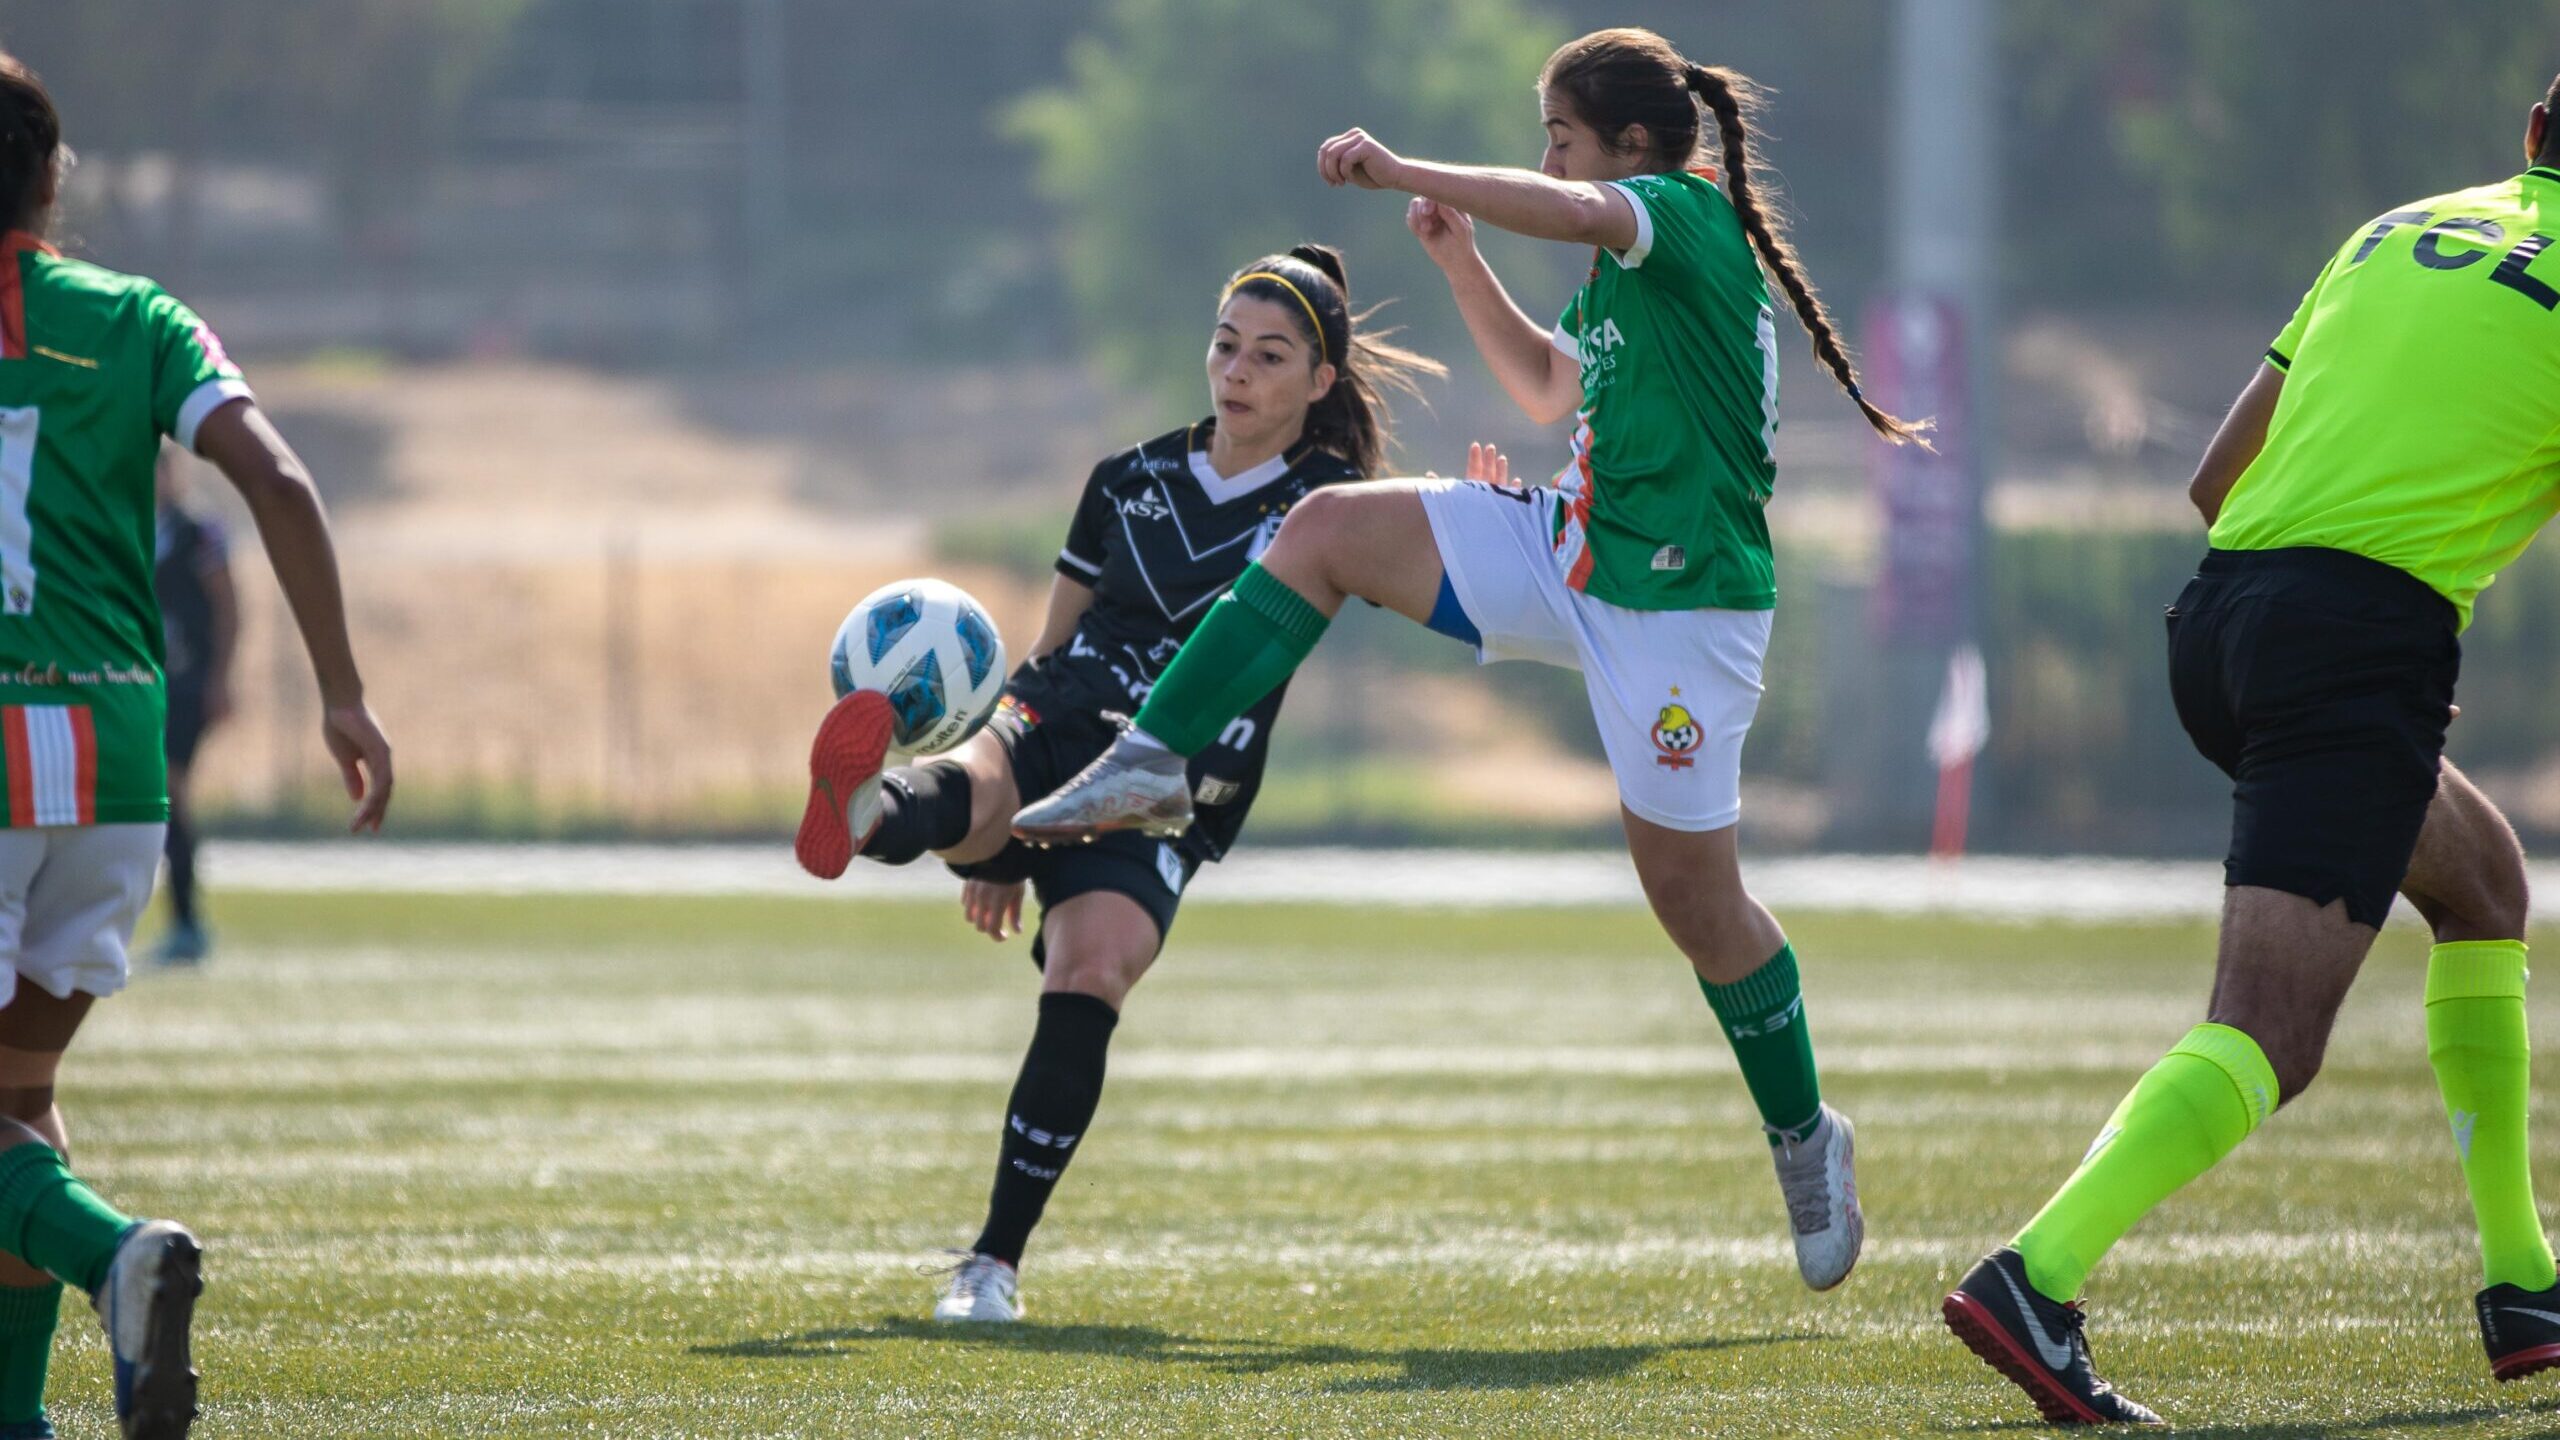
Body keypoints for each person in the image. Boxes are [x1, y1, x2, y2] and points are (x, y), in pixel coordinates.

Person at [1013, 27, 1922, 1293]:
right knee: (1324, 529)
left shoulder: (1681, 215)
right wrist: (1458, 259)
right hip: (1580, 550)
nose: (1545, 155)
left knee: (1694, 907)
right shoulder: (1628, 272)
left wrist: (1395, 169)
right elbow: (1552, 392)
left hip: (1687, 614)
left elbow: (1567, 206)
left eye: (1560, 133)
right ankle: (1152, 760)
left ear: (1634, 148)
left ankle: (1804, 1133)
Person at [1941, 74, 2560, 1426]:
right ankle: (2032, 1282)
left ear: (2529, 134)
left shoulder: (2393, 229)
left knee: (2485, 885)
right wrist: (2386, 630)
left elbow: (2216, 477)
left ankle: (2525, 1288)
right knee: (2271, 1032)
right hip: (2351, 646)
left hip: (2219, 618)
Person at [793, 244, 1444, 1323]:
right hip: (1066, 710)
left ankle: (990, 1265)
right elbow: (1052, 648)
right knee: (976, 768)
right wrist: (1003, 848)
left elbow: (1446, 570)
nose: (1235, 371)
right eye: (1225, 345)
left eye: (1269, 356)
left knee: (1090, 971)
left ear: (1320, 384)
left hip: (1174, 775)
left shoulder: (1336, 504)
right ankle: (874, 806)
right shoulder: (1126, 479)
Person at [0, 53, 393, 1439]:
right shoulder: (139, 317)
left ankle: (113, 1257)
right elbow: (275, 475)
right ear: (54, 186)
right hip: (115, 759)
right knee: (17, 1090)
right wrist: (342, 692)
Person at [149, 457, 234, 967]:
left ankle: (187, 924)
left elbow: (227, 604)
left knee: (169, 788)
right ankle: (178, 922)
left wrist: (220, 678)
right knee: (158, 797)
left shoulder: (198, 531)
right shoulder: (125, 526)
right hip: (136, 685)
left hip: (186, 686)